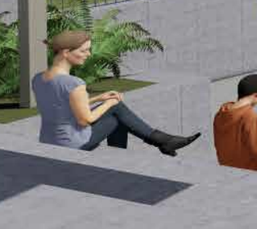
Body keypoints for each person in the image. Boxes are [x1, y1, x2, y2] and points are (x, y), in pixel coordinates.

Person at [32, 30, 200, 156]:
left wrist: (99, 98)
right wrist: (109, 103)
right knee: (116, 114)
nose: (88, 55)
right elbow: (85, 120)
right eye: (84, 51)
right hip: (71, 144)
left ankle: (162, 141)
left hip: (49, 140)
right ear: (66, 52)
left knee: (114, 110)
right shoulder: (74, 83)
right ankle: (158, 143)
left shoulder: (39, 78)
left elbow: (61, 104)